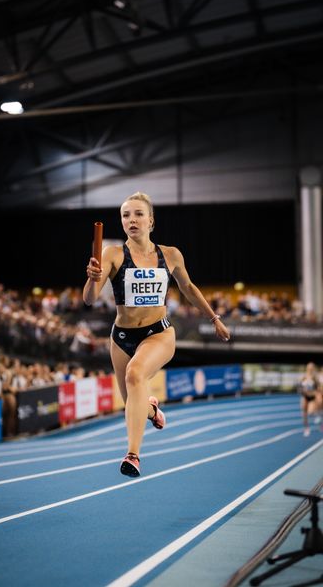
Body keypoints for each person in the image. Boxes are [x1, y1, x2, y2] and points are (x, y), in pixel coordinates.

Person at [83, 191, 230, 477]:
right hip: (122, 337)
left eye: (138, 214)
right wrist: (92, 279)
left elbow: (188, 288)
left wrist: (214, 318)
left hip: (158, 333)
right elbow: (89, 299)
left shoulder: (170, 254)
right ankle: (152, 410)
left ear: (151, 220)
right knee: (134, 405)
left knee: (135, 374)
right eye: (126, 215)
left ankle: (133, 455)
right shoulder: (112, 254)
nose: (131, 220)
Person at [299, 362, 322, 436]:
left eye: (312, 367)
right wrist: (302, 391)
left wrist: (315, 392)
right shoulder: (303, 377)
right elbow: (300, 387)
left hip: (312, 396)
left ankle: (318, 415)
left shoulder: (315, 377)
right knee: (304, 413)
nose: (310, 369)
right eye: (309, 367)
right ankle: (306, 428)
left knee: (310, 412)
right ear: (307, 368)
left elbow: (318, 388)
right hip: (305, 396)